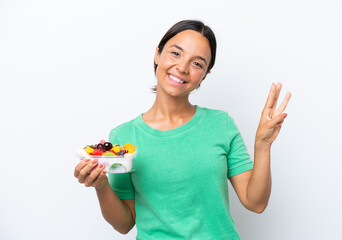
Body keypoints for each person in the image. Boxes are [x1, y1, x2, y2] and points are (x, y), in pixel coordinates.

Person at [74, 19, 291, 239]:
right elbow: (124, 224)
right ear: (158, 54)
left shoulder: (221, 124)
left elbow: (256, 202)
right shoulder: (123, 138)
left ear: (204, 76)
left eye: (197, 63)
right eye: (176, 53)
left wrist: (262, 144)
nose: (182, 67)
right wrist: (101, 186)